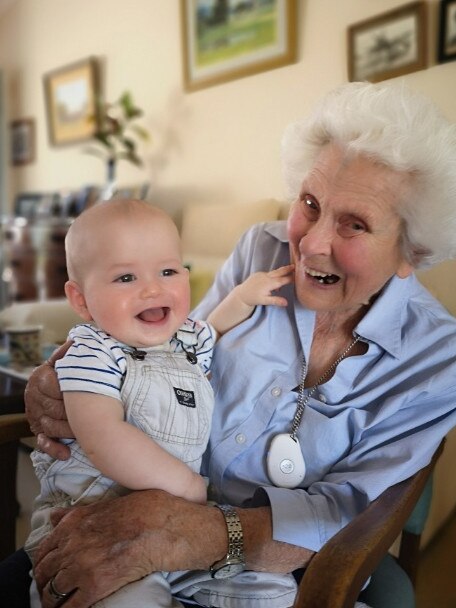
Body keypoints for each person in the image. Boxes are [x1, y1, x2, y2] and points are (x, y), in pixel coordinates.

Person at [11, 80, 456, 608]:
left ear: (413, 250)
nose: (311, 243)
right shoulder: (259, 252)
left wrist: (191, 529)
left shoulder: (437, 360)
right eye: (310, 204)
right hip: (118, 511)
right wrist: (59, 380)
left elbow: (349, 510)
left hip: (263, 571)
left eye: (354, 224)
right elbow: (167, 356)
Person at [25, 199, 295, 607]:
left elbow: (215, 328)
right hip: (91, 521)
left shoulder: (183, 341)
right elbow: (101, 433)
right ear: (81, 300)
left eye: (168, 271)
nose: (152, 288)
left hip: (179, 530)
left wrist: (244, 295)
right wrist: (182, 484)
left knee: (275, 593)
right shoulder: (92, 352)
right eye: (126, 277)